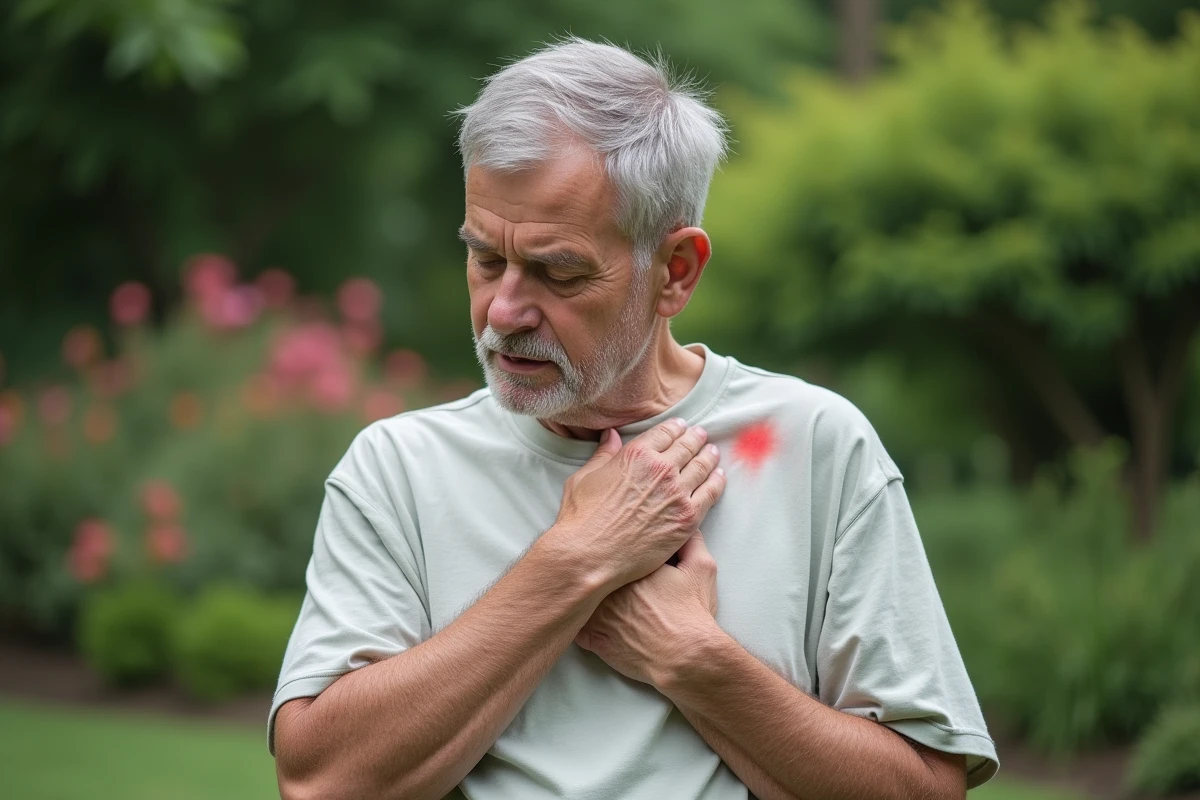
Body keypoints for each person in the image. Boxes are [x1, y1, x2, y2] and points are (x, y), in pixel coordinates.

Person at [270, 37, 999, 800]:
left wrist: (694, 660)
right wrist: (576, 561)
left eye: (559, 271)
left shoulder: (814, 445)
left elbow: (923, 789)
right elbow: (322, 781)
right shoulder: (396, 467)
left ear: (675, 271)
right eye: (486, 259)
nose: (505, 310)